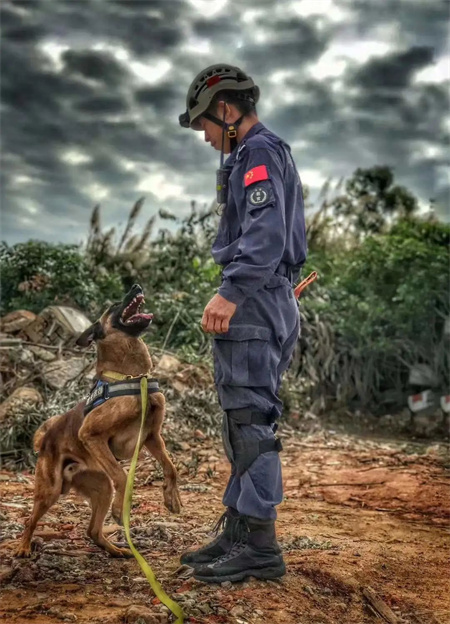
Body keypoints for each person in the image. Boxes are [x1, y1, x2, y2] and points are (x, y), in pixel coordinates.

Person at [178, 64, 307, 583]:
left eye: (205, 125)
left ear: (226, 110)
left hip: (256, 297)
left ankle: (260, 546)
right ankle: (238, 529)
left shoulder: (258, 151)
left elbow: (265, 234)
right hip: (265, 295)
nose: (206, 137)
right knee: (240, 418)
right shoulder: (257, 153)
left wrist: (231, 292)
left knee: (251, 421)